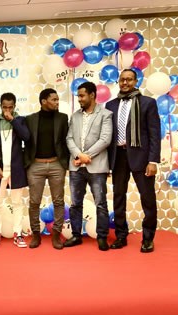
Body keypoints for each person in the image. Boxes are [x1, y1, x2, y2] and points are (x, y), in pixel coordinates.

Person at [106, 69, 161, 253]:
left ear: (136, 81)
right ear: (118, 82)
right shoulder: (110, 105)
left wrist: (153, 161)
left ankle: (148, 238)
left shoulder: (148, 103)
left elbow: (154, 134)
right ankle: (121, 236)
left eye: (129, 79)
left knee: (148, 199)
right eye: (122, 80)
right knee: (118, 198)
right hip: (118, 157)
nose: (125, 83)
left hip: (142, 157)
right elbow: (108, 135)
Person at [64, 82, 113, 251]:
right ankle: (76, 235)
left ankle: (102, 237)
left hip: (97, 166)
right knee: (75, 203)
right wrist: (79, 155)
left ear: (92, 95)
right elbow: (69, 138)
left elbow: (105, 139)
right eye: (78, 96)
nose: (79, 99)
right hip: (76, 167)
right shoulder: (75, 116)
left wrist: (86, 157)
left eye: (82, 95)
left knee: (101, 203)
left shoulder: (105, 114)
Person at [24, 88, 69, 250]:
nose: (57, 102)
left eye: (57, 99)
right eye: (54, 99)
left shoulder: (63, 118)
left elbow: (66, 141)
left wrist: (66, 163)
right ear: (44, 101)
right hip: (35, 165)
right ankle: (36, 234)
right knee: (34, 202)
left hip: (57, 164)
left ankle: (56, 234)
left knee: (58, 201)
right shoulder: (30, 119)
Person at [0, 92, 31, 248]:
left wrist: (13, 120)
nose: (7, 110)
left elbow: (26, 137)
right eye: (4, 107)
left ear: (14, 106)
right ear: (0, 106)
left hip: (16, 168)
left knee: (17, 203)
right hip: (0, 170)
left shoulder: (20, 120)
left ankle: (18, 233)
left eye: (10, 107)